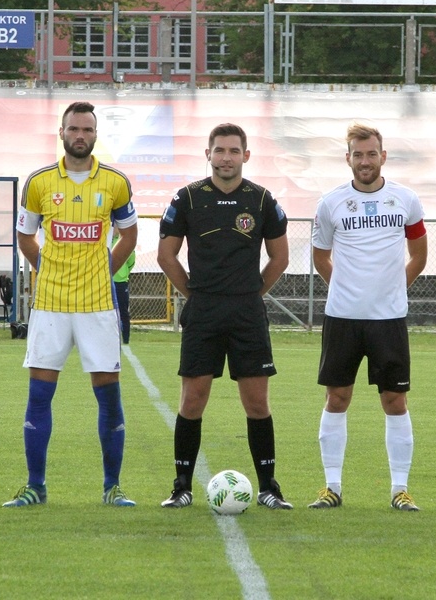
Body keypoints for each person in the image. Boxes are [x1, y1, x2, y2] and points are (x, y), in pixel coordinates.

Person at [3, 101, 138, 508]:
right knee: (40, 395)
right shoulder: (40, 182)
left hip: (98, 305)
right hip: (50, 305)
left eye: (87, 129)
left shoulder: (115, 181)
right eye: (74, 129)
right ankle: (35, 487)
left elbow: (129, 236)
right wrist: (48, 267)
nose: (80, 135)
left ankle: (112, 487)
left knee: (108, 396)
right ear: (61, 133)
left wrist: (101, 269)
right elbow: (26, 237)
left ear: (96, 135)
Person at [157, 123, 292, 509]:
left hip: (247, 313)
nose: (226, 158)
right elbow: (166, 256)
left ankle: (269, 487)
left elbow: (279, 257)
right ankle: (181, 487)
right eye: (220, 150)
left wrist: (252, 294)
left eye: (234, 151)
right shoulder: (187, 199)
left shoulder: (263, 200)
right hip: (204, 312)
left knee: (256, 402)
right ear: (208, 154)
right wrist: (195, 294)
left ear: (246, 155)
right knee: (193, 399)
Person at [309, 123, 428, 511]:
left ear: (383, 156)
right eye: (357, 154)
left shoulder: (406, 200)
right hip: (342, 318)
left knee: (395, 400)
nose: (365, 161)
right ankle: (331, 487)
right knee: (337, 397)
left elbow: (420, 255)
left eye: (371, 153)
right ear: (348, 158)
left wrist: (394, 288)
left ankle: (400, 489)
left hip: (388, 320)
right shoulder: (330, 203)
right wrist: (345, 288)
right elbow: (321, 257)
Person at [112, 228, 135, 344]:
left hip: (121, 282)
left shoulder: (123, 242)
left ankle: (126, 338)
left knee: (123, 312)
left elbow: (131, 262)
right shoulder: (106, 241)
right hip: (106, 282)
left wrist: (123, 273)